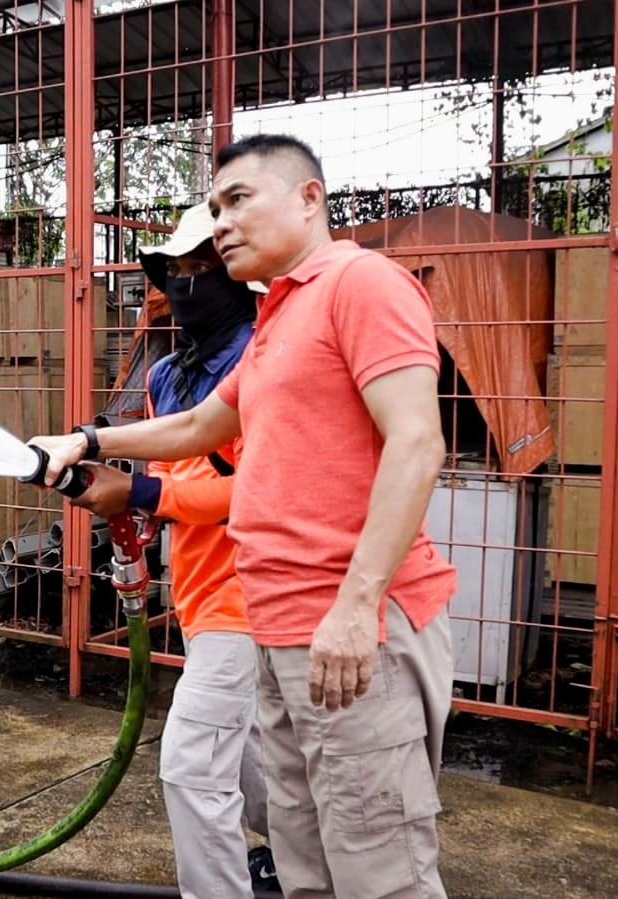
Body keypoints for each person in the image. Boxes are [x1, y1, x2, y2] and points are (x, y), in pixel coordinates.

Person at [29, 134, 457, 899]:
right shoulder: (280, 320)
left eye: (238, 201)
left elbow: (418, 442)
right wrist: (88, 439)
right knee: (306, 863)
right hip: (275, 626)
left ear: (308, 198)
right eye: (214, 207)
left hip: (352, 630)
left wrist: (358, 605)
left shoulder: (361, 284)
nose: (220, 224)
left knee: (378, 871)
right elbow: (200, 428)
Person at [68, 200, 278, 896]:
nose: (184, 284)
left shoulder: (264, 360)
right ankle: (308, 852)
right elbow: (182, 470)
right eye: (175, 270)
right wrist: (127, 490)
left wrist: (139, 495)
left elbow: (252, 489)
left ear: (236, 275)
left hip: (248, 593)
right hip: (195, 586)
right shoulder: (167, 375)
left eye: (201, 268)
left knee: (190, 765)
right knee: (249, 760)